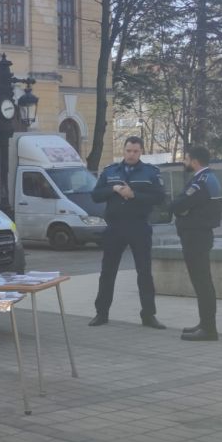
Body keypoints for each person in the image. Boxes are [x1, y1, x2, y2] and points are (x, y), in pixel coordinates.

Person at [89, 136, 167, 329]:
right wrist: (113, 189)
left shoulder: (150, 172)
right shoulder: (110, 171)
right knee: (107, 272)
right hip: (115, 227)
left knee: (144, 272)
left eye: (135, 151)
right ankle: (101, 313)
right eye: (128, 151)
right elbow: (95, 195)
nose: (131, 154)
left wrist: (134, 195)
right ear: (123, 151)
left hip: (139, 226)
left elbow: (159, 198)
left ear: (141, 152)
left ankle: (148, 315)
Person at [169, 145, 222, 342]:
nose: (184, 162)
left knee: (202, 283)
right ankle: (205, 323)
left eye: (186, 159)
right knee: (202, 282)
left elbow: (179, 204)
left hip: (196, 237)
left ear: (194, 161)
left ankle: (209, 329)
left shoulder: (201, 182)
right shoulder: (208, 178)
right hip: (199, 235)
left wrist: (178, 208)